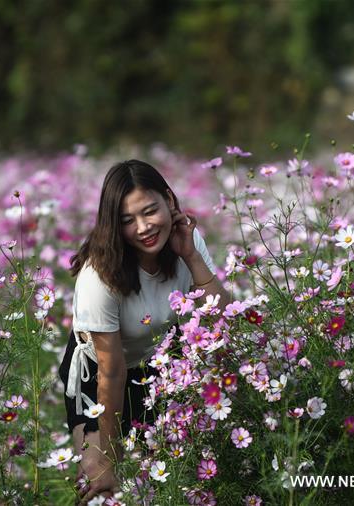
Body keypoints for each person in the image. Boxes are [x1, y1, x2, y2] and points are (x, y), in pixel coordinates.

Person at [58, 159, 231, 503]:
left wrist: (191, 257)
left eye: (150, 211)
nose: (143, 227)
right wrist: (107, 456)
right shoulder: (99, 275)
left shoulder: (186, 239)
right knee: (98, 484)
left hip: (163, 368)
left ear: (169, 200)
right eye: (127, 221)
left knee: (169, 479)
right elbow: (112, 371)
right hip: (100, 377)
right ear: (114, 225)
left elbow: (224, 319)